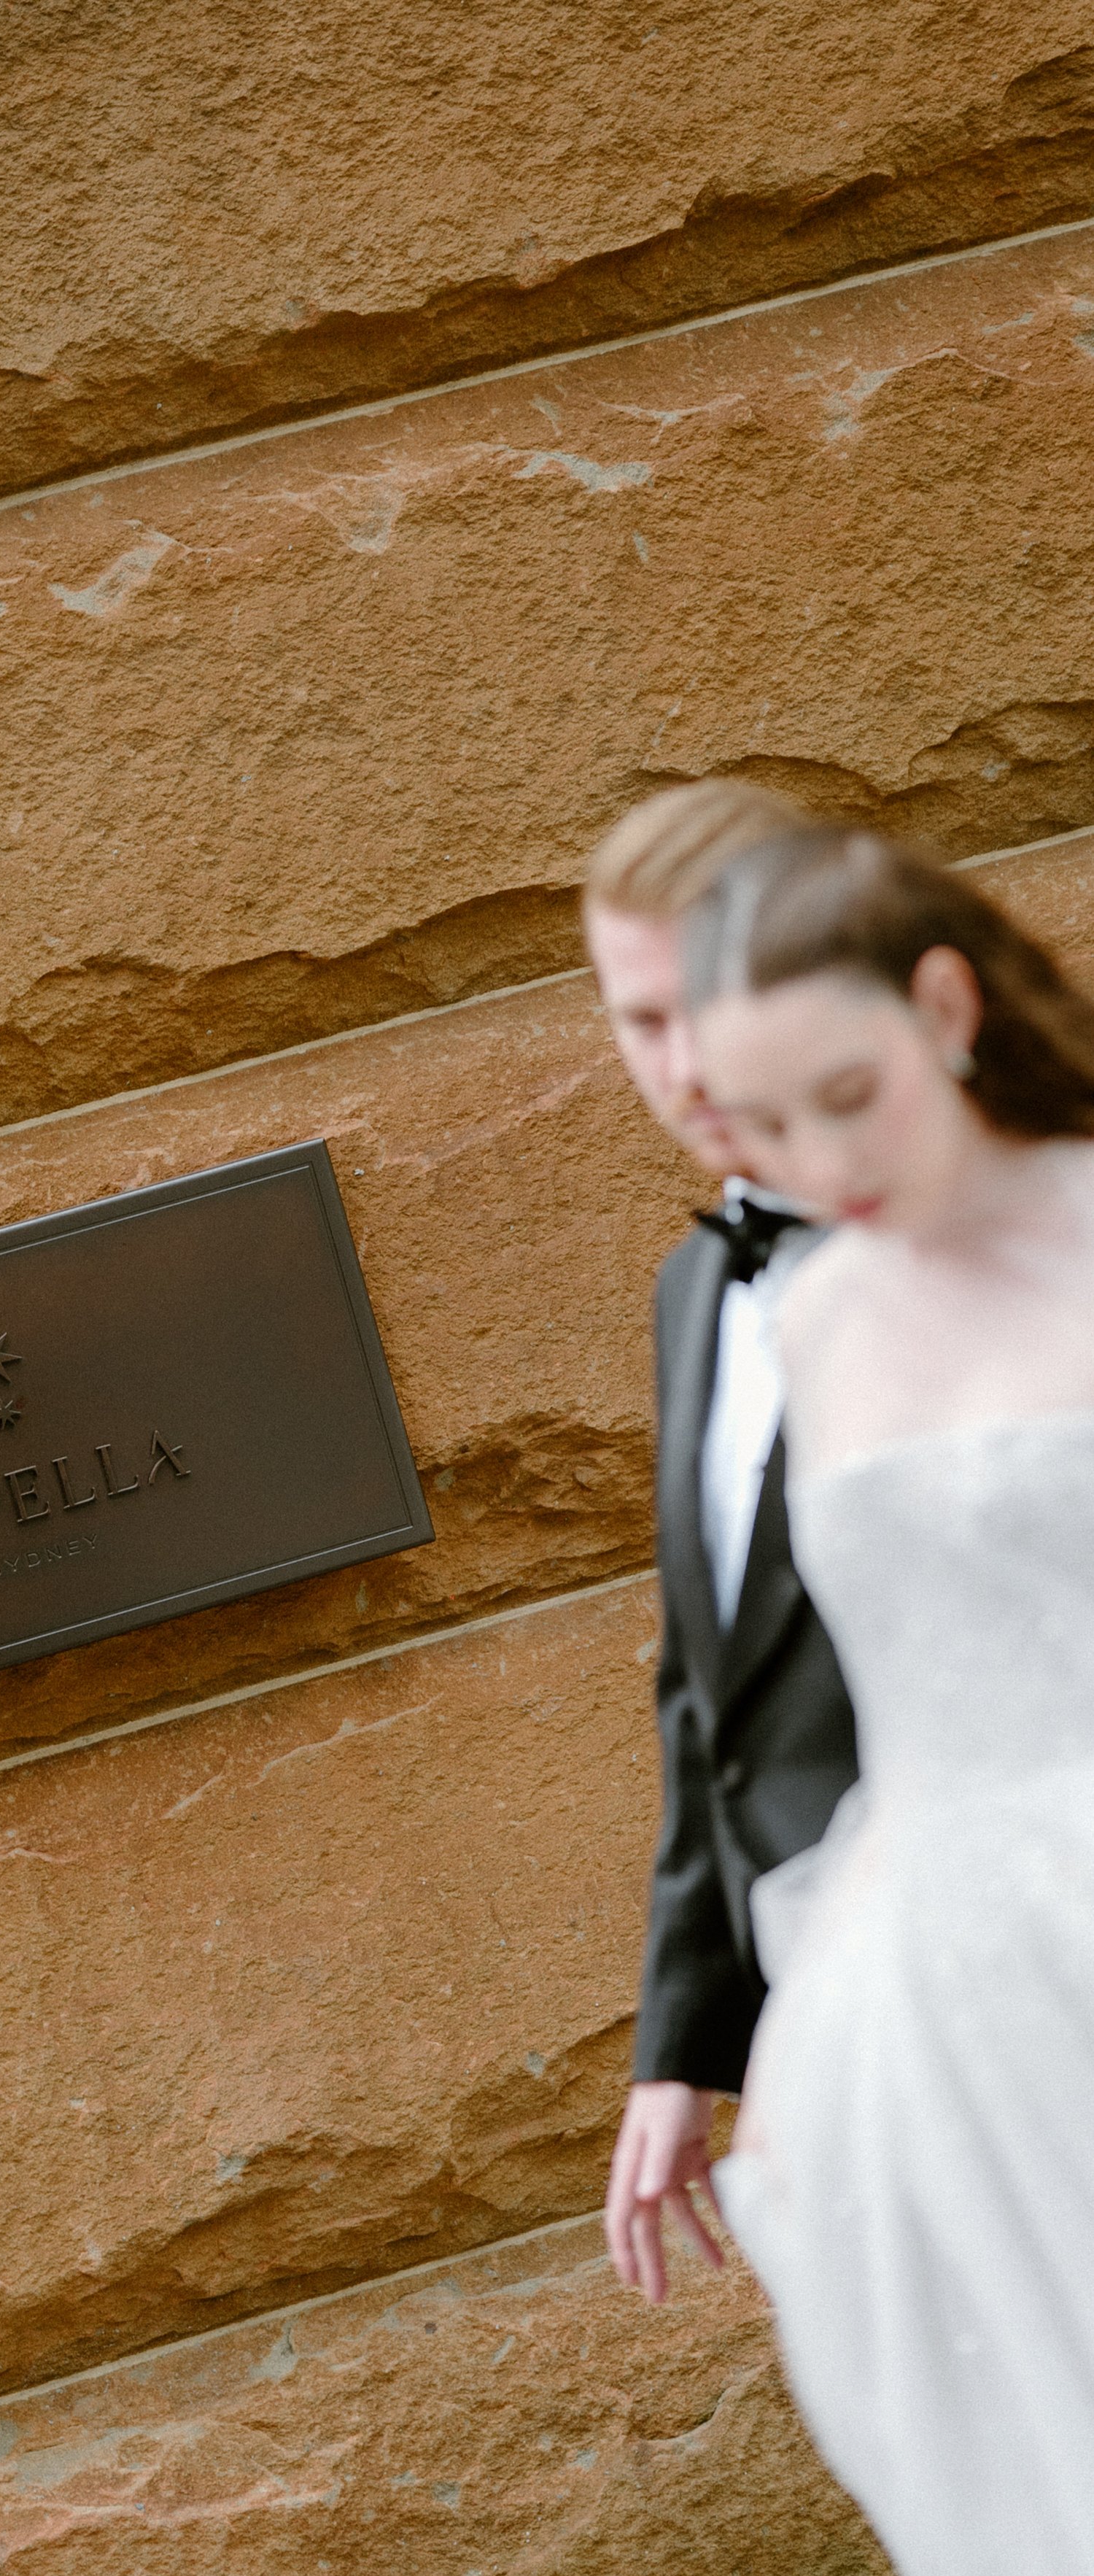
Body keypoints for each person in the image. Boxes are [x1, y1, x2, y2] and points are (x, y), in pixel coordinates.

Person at [680, 823, 1094, 2576]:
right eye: (766, 1131)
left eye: (848, 1098)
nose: (828, 1169)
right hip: (948, 2001)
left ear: (942, 1008)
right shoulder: (805, 1313)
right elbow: (798, 1690)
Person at [582, 785, 858, 2306]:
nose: (678, 1066)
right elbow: (708, 1696)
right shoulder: (690, 1297)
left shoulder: (962, 1240)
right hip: (831, 2006)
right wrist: (681, 2045)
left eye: (703, 1006)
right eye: (636, 1020)